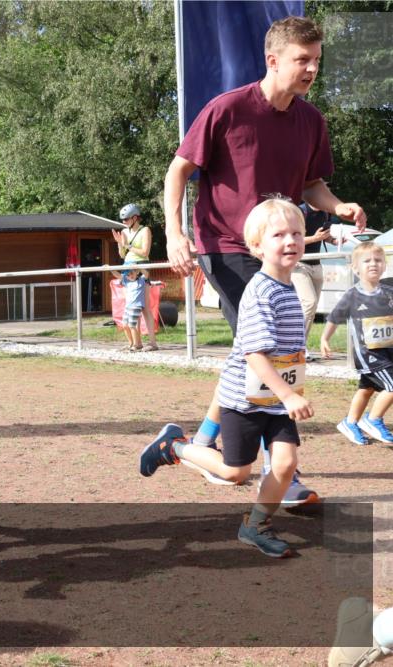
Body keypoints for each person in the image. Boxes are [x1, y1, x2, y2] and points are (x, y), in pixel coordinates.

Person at [158, 15, 366, 501]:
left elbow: (312, 185)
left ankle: (194, 443)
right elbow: (178, 171)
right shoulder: (227, 109)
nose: (312, 69)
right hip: (226, 246)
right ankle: (282, 470)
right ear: (273, 60)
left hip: (277, 251)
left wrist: (338, 206)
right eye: (302, 60)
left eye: (316, 60)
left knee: (252, 348)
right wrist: (173, 232)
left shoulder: (311, 121)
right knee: (268, 350)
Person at [141, 199, 312, 558]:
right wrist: (289, 394)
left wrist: (291, 384)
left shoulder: (288, 286)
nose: (290, 241)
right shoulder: (261, 291)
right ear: (256, 246)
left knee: (285, 464)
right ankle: (173, 448)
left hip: (275, 400)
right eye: (279, 235)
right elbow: (255, 355)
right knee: (236, 473)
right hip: (244, 401)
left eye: (297, 233)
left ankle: (255, 526)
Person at [320, 242, 393, 446]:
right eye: (367, 261)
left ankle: (350, 422)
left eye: (378, 260)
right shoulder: (352, 295)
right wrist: (324, 338)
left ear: (385, 265)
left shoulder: (389, 291)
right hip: (368, 354)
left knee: (367, 388)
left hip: (387, 351)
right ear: (355, 268)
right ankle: (373, 420)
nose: (373, 264)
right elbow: (334, 318)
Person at [113, 203, 159, 351]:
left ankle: (152, 343)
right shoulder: (124, 232)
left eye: (126, 219)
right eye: (123, 220)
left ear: (134, 218)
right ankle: (136, 343)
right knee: (132, 306)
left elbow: (145, 252)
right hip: (127, 269)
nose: (124, 222)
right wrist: (120, 244)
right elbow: (122, 255)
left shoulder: (145, 230)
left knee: (145, 308)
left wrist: (127, 246)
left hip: (141, 269)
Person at [293, 202, 332, 340]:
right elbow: (292, 240)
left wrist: (333, 240)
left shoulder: (325, 213)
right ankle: (297, 344)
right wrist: (315, 238)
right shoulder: (299, 212)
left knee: (311, 308)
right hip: (299, 264)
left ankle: (301, 344)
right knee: (309, 303)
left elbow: (323, 236)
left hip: (316, 264)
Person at [119, 268, 146, 352]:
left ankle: (136, 345)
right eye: (128, 275)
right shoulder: (127, 282)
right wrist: (110, 269)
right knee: (125, 325)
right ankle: (131, 343)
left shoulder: (141, 280)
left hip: (136, 306)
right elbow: (118, 275)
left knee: (132, 325)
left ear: (136, 272)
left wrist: (138, 267)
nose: (130, 276)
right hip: (128, 306)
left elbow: (146, 274)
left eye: (132, 273)